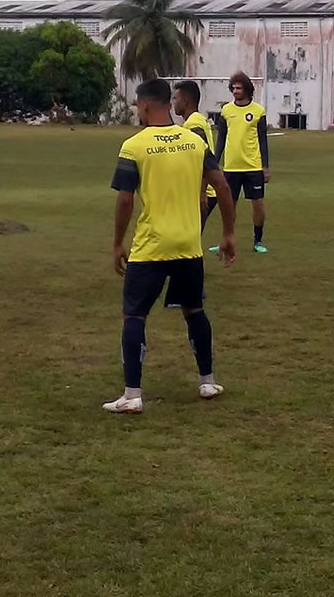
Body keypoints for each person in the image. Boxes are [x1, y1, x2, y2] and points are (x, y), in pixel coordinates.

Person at [105, 78, 237, 414]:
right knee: (195, 310)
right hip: (189, 246)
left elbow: (124, 200)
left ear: (146, 105)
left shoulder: (134, 145)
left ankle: (132, 395)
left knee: (134, 315)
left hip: (152, 246)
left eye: (137, 105)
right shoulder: (194, 142)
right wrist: (228, 233)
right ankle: (207, 381)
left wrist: (118, 242)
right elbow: (221, 186)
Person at [212, 71, 270, 253]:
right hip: (231, 166)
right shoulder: (226, 111)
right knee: (229, 205)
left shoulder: (258, 111)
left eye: (239, 88)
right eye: (233, 88)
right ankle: (226, 237)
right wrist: (214, 163)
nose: (235, 91)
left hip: (253, 166)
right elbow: (221, 139)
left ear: (247, 89)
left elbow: (263, 140)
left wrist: (265, 167)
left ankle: (258, 241)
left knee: (258, 204)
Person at [172, 80, 217, 226]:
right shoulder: (197, 119)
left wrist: (201, 192)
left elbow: (201, 158)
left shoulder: (193, 124)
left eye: (175, 98)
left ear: (185, 101)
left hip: (203, 191)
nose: (173, 103)